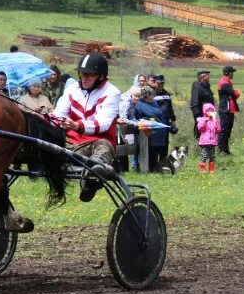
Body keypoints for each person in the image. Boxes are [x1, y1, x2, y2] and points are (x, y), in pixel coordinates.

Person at [52, 52, 121, 202]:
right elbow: (58, 114)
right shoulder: (72, 90)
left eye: (89, 75)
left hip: (97, 143)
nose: (84, 78)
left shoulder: (112, 92)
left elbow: (102, 123)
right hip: (70, 144)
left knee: (103, 145)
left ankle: (92, 177)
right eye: (82, 74)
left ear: (101, 76)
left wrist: (77, 125)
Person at [132, 86, 169, 172]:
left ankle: (158, 168)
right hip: (149, 131)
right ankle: (150, 169)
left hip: (160, 129)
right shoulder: (139, 104)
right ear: (145, 96)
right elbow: (138, 117)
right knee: (151, 151)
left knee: (159, 150)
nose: (152, 97)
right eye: (150, 96)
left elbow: (159, 114)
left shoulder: (155, 102)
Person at [217, 65, 241, 155]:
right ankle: (221, 150)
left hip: (227, 110)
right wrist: (237, 92)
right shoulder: (225, 83)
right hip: (225, 110)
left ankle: (225, 149)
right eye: (232, 72)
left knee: (227, 130)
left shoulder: (226, 82)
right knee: (224, 131)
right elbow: (234, 94)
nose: (233, 74)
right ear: (229, 73)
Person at [196, 103, 221, 174]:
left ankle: (211, 169)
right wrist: (205, 120)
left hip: (212, 141)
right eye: (208, 111)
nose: (210, 112)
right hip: (204, 142)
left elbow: (218, 130)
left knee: (212, 156)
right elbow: (200, 128)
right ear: (205, 112)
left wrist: (216, 120)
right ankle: (202, 167)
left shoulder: (215, 120)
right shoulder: (203, 119)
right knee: (205, 155)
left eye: (211, 110)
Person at [190, 70, 215, 138]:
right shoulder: (197, 86)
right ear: (202, 77)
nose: (208, 77)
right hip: (201, 114)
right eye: (207, 76)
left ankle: (208, 145)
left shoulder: (206, 86)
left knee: (208, 130)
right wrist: (197, 115)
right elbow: (195, 101)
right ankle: (198, 145)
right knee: (200, 130)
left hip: (209, 114)